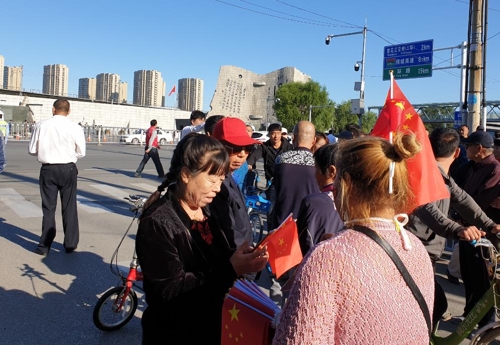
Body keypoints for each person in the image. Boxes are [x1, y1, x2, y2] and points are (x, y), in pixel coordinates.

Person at [273, 133, 435, 345]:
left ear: (346, 183)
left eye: (338, 180)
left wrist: (330, 253)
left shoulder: (327, 258)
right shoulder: (415, 247)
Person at [135, 133, 268, 345]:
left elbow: (218, 261)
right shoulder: (157, 222)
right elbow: (171, 293)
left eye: (222, 180)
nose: (217, 187)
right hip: (175, 333)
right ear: (186, 174)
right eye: (211, 179)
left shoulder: (206, 209)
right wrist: (231, 269)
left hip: (212, 325)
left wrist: (245, 259)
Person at [406, 128, 498, 330]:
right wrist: (457, 229)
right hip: (416, 251)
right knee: (432, 307)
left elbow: (464, 200)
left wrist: (490, 224)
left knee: (434, 306)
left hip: (428, 251)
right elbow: (425, 207)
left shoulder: (441, 176)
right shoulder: (423, 174)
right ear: (457, 153)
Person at [28, 99, 86, 256]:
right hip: (68, 168)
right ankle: (70, 244)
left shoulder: (41, 125)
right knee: (69, 206)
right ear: (69, 111)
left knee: (48, 208)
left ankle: (44, 245)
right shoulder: (75, 127)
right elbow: (81, 152)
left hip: (48, 169)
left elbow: (32, 150)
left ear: (53, 109)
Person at [458, 130, 500, 328]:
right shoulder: (470, 167)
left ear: (479, 148)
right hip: (467, 231)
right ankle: (469, 315)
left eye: (468, 146)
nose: (465, 149)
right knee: (468, 274)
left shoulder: (495, 170)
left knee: (482, 279)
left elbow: (479, 202)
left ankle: (485, 324)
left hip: (484, 234)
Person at [210, 117, 261, 247]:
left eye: (248, 148)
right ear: (217, 147)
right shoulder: (215, 185)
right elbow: (227, 234)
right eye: (236, 148)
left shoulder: (228, 175)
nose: (242, 154)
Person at [296, 144, 343, 256]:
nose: (315, 175)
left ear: (331, 171)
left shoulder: (312, 203)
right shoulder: (363, 204)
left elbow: (301, 244)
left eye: (316, 169)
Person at [247, 123, 293, 226]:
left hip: (287, 183)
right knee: (271, 210)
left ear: (281, 134)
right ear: (269, 134)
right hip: (272, 182)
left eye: (278, 133)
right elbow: (254, 156)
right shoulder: (265, 147)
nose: (276, 136)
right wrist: (248, 164)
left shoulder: (289, 147)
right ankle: (271, 233)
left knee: (286, 209)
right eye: (273, 133)